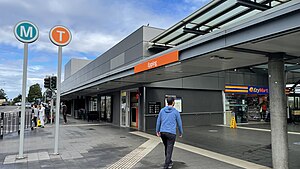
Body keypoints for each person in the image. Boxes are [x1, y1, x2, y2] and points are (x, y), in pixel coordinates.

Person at [156, 97, 183, 169]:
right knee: (169, 149)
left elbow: (158, 121)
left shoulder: (162, 110)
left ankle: (169, 161)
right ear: (173, 102)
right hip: (171, 133)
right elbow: (179, 123)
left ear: (167, 102)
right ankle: (167, 165)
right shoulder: (175, 112)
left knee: (167, 147)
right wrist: (181, 132)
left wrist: (157, 131)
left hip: (163, 132)